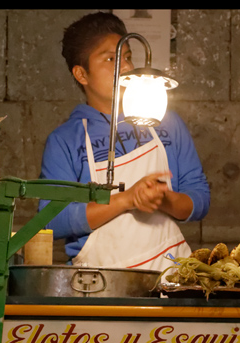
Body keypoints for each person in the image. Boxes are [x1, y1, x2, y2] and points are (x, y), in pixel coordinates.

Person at [40, 12, 210, 272]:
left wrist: (163, 200)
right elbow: (52, 220)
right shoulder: (65, 140)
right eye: (111, 59)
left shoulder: (166, 122)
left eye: (127, 57)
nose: (126, 68)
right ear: (81, 74)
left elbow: (199, 197)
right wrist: (126, 199)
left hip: (171, 276)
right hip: (99, 284)